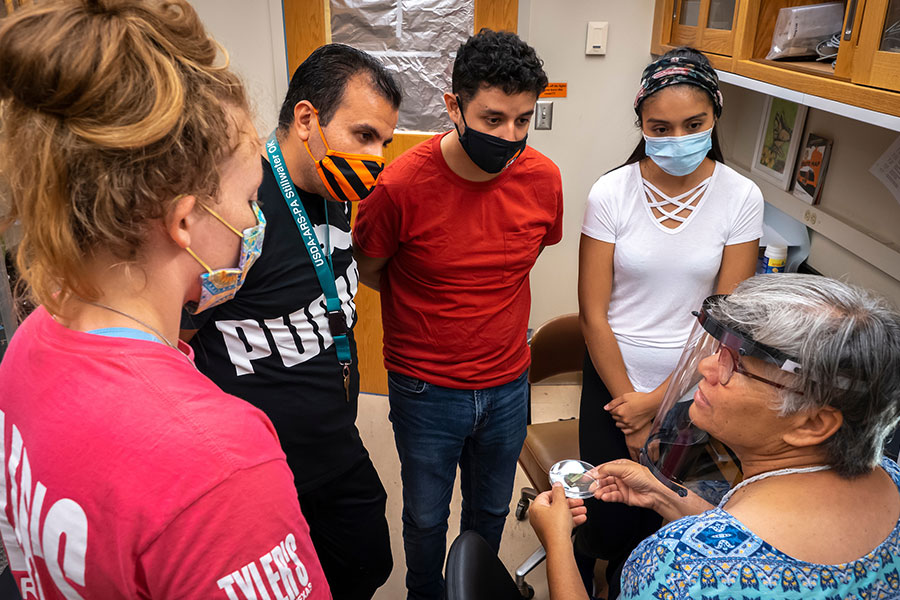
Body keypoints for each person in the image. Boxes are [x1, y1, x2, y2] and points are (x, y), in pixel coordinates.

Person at [0, 1, 330, 597]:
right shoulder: (221, 466)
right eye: (251, 199)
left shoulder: (29, 346)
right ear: (184, 222)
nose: (257, 221)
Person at [180, 44, 400, 600]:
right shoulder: (239, 208)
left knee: (367, 560)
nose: (376, 158)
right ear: (307, 120)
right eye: (364, 135)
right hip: (261, 462)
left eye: (384, 143)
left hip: (333, 435)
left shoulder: (338, 190)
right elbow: (174, 340)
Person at [531, 273, 900, 600]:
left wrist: (559, 544)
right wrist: (664, 495)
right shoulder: (890, 476)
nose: (706, 367)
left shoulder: (680, 567)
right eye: (719, 351)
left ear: (813, 424)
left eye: (736, 365)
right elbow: (760, 550)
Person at [353, 28, 563, 600]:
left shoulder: (543, 179)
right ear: (454, 106)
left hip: (507, 384)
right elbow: (371, 269)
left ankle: (473, 590)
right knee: (424, 518)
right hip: (426, 387)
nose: (510, 136)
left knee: (491, 510)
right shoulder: (400, 187)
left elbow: (520, 259)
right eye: (493, 119)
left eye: (523, 120)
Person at [575, 46, 763, 596]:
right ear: (641, 124)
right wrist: (629, 407)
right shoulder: (611, 192)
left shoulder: (740, 196)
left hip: (694, 387)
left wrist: (659, 402)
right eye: (660, 127)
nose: (677, 137)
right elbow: (593, 312)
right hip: (612, 383)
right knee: (602, 512)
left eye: (693, 124)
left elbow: (724, 319)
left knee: (665, 519)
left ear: (715, 116)